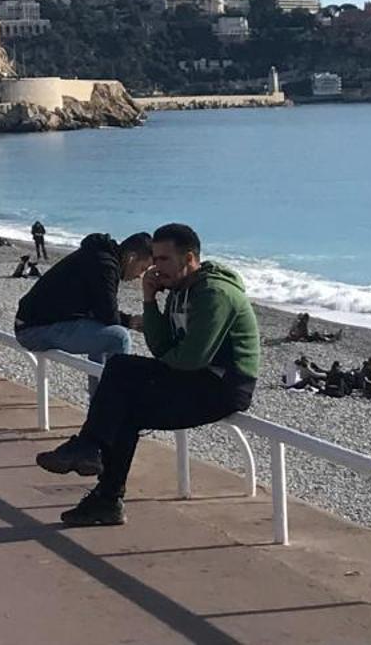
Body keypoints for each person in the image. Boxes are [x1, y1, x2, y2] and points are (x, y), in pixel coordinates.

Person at [35, 222, 259, 526]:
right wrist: (150, 299)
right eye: (154, 258)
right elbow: (161, 345)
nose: (156, 266)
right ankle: (105, 495)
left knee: (125, 393)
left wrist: (167, 357)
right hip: (191, 374)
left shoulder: (213, 293)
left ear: (190, 258)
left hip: (223, 385)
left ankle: (91, 453)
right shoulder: (179, 290)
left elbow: (192, 357)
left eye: (164, 259)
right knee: (120, 376)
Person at [14, 230, 153, 394]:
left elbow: (102, 311)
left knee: (105, 333)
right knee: (119, 338)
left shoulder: (98, 255)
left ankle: (99, 406)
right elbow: (108, 315)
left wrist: (128, 320)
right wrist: (130, 321)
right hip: (34, 331)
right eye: (143, 268)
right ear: (131, 258)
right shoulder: (105, 265)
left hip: (32, 323)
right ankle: (114, 405)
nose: (140, 275)